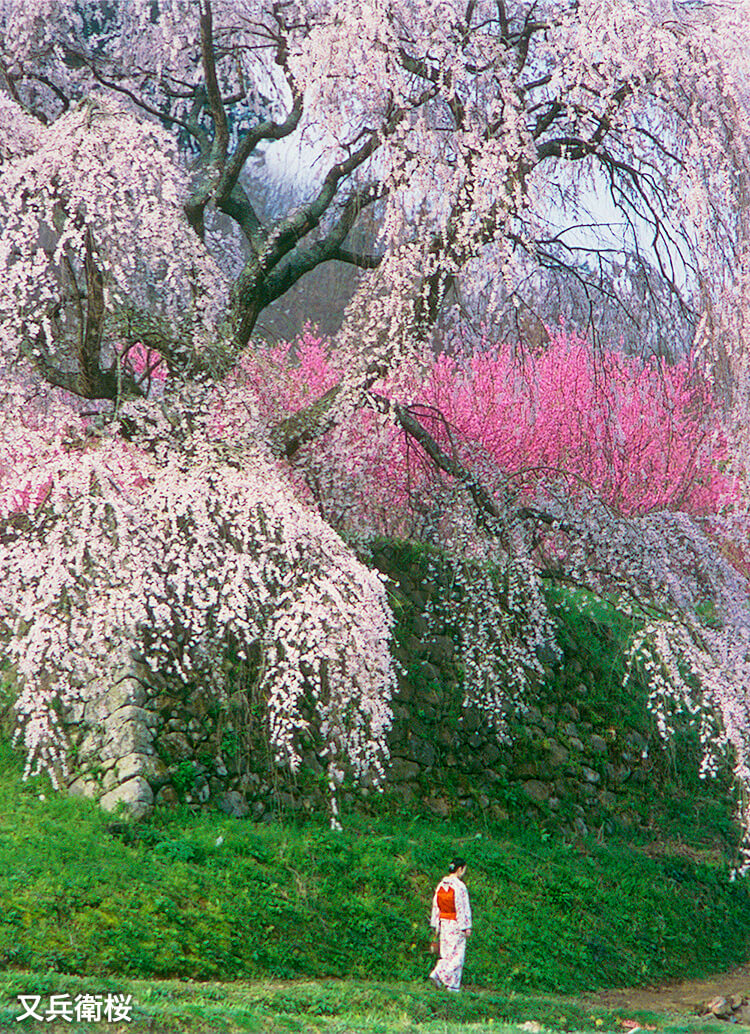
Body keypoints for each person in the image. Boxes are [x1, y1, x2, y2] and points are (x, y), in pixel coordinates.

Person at [428, 856, 472, 992]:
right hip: (456, 924)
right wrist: (466, 926)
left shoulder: (441, 885)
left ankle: (449, 984)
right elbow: (462, 907)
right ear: (460, 869)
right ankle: (441, 976)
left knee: (446, 954)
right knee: (457, 955)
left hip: (443, 923)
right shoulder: (459, 887)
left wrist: (435, 924)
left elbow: (436, 906)